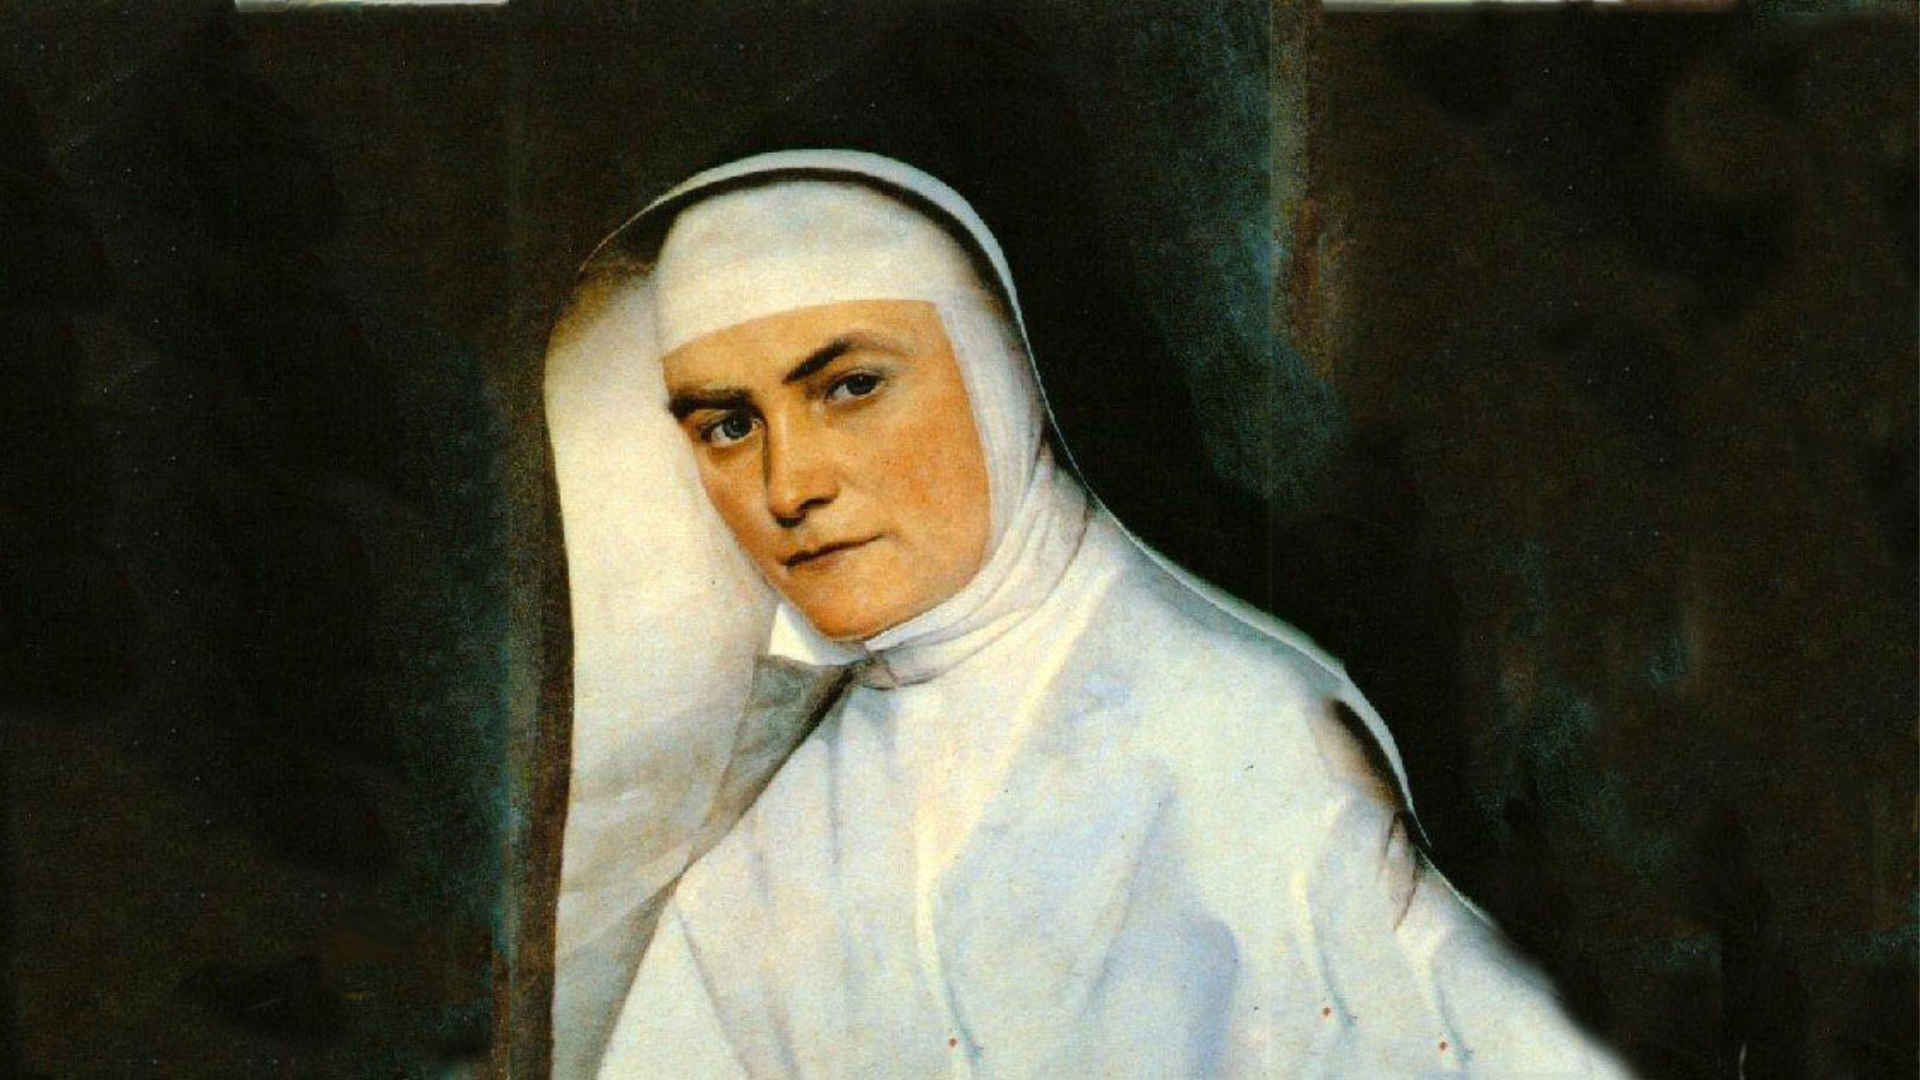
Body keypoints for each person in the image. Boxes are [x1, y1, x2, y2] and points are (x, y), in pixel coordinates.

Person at [544, 151, 1631, 1078]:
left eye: (851, 387)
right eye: (729, 426)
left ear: (1000, 374)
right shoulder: (763, 861)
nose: (790, 486)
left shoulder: (1246, 733)